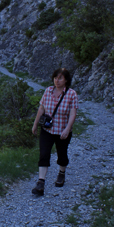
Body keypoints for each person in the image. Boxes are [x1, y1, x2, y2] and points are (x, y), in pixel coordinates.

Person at [30, 68, 78, 196]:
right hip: (47, 129)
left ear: (66, 80)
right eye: (55, 78)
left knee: (62, 155)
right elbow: (42, 109)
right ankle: (41, 183)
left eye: (60, 78)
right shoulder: (48, 91)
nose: (57, 80)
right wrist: (35, 124)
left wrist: (67, 129)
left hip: (62, 131)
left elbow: (73, 113)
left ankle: (61, 173)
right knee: (44, 153)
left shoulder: (71, 94)